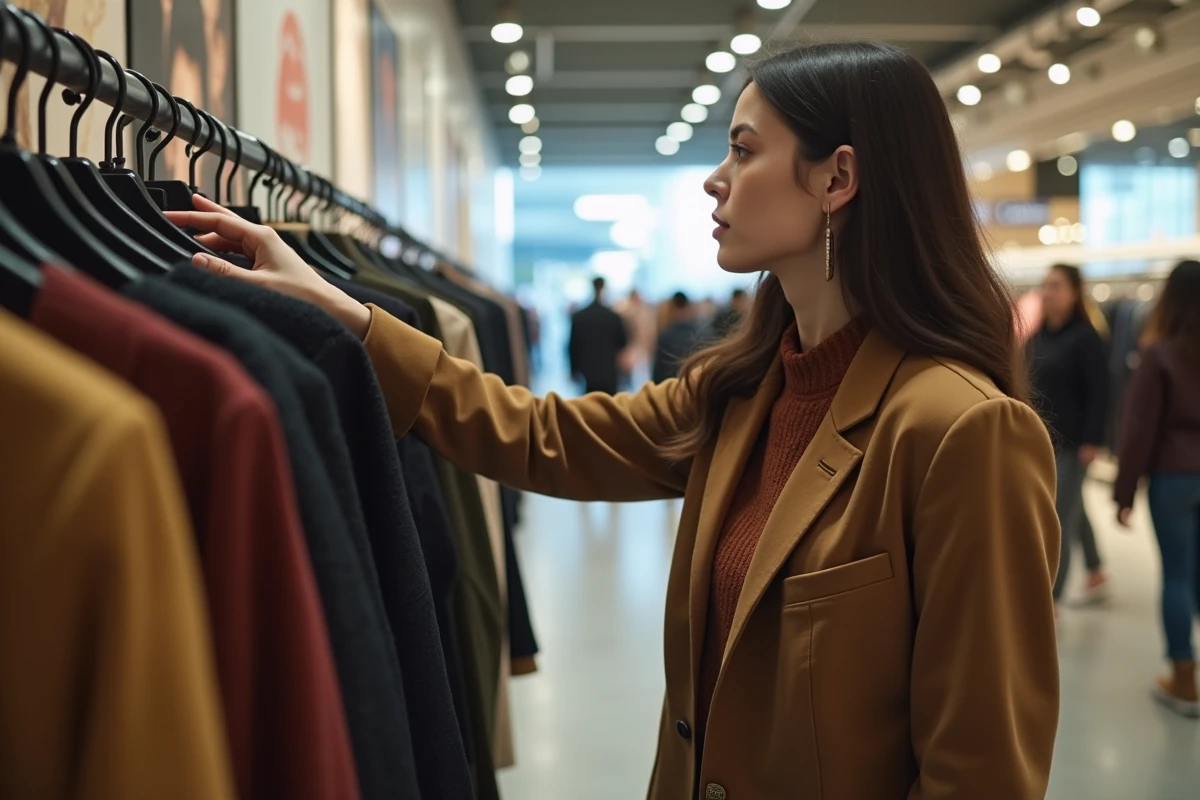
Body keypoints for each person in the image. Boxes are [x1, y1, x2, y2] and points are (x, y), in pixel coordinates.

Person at [166, 41, 1060, 799]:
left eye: (744, 151)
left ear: (839, 177)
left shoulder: (960, 431)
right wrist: (347, 314)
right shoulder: (743, 393)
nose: (715, 180)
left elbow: (979, 770)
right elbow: (540, 435)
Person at [1114, 260, 1200, 719]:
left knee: (1178, 576)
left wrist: (1124, 492)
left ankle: (1185, 680)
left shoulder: (1160, 354)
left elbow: (1139, 430)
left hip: (1173, 477)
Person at [1028, 264, 1111, 611]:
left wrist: (1093, 440)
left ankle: (1052, 601)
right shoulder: (1038, 336)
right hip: (1041, 441)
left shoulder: (1086, 338)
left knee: (1059, 517)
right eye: (1045, 285)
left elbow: (1101, 393)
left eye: (1057, 286)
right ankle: (1096, 572)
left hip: (1074, 443)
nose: (1048, 292)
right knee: (1074, 508)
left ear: (1074, 293)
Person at [566, 277, 628, 394]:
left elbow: (572, 346)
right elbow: (622, 344)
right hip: (609, 372)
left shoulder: (579, 317)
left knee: (589, 408)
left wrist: (573, 370)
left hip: (587, 373)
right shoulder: (613, 317)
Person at [652, 292, 703, 384]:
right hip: (696, 387)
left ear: (673, 308)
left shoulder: (666, 336)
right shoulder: (700, 334)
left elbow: (659, 371)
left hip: (672, 389)